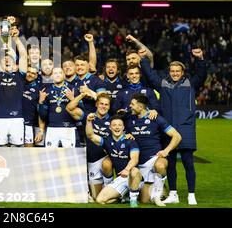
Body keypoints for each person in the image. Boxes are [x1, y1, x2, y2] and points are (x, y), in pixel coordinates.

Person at [140, 48, 207, 205]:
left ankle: (191, 195)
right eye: (172, 71)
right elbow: (150, 75)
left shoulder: (191, 83)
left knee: (188, 163)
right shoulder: (163, 84)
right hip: (168, 131)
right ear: (169, 72)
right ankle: (173, 194)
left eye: (178, 71)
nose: (175, 73)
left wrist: (200, 59)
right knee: (169, 165)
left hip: (186, 128)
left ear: (182, 72)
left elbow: (202, 75)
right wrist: (143, 59)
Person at [126, 93, 182, 206]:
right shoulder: (128, 118)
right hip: (138, 164)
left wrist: (166, 151)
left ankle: (157, 196)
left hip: (154, 159)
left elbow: (177, 136)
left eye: (132, 104)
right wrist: (126, 135)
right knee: (144, 201)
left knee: (160, 165)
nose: (130, 106)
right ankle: (160, 187)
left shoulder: (156, 118)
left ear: (140, 107)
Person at [0, 17, 28, 147]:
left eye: (10, 58)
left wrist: (16, 39)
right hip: (0, 119)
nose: (7, 60)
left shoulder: (20, 75)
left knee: (19, 151)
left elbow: (23, 55)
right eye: (4, 58)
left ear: (14, 63)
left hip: (17, 119)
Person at [85, 114, 142, 208]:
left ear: (123, 127)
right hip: (121, 179)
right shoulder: (107, 141)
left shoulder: (130, 141)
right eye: (114, 125)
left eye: (119, 125)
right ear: (110, 127)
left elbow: (135, 159)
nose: (117, 127)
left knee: (135, 171)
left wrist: (127, 169)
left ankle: (133, 201)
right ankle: (122, 197)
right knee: (100, 200)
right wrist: (88, 121)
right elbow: (90, 135)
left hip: (133, 177)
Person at [68, 93, 112, 199]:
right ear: (96, 104)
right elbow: (69, 108)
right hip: (92, 160)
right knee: (96, 197)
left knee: (107, 164)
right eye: (101, 103)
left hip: (106, 158)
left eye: (106, 104)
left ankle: (109, 185)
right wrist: (82, 95)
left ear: (109, 107)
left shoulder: (113, 121)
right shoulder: (88, 116)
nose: (103, 106)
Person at [39, 67, 81, 148]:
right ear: (51, 76)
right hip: (52, 128)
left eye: (60, 73)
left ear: (64, 75)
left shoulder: (73, 89)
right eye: (55, 73)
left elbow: (81, 110)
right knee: (49, 156)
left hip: (69, 128)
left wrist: (72, 99)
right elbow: (43, 116)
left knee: (71, 156)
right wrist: (41, 102)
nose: (58, 75)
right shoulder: (46, 91)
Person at [22, 67, 45, 147]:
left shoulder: (39, 89)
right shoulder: (18, 84)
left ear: (36, 76)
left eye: (33, 73)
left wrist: (41, 130)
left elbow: (41, 111)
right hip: (15, 121)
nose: (30, 74)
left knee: (29, 153)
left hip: (29, 124)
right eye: (28, 72)